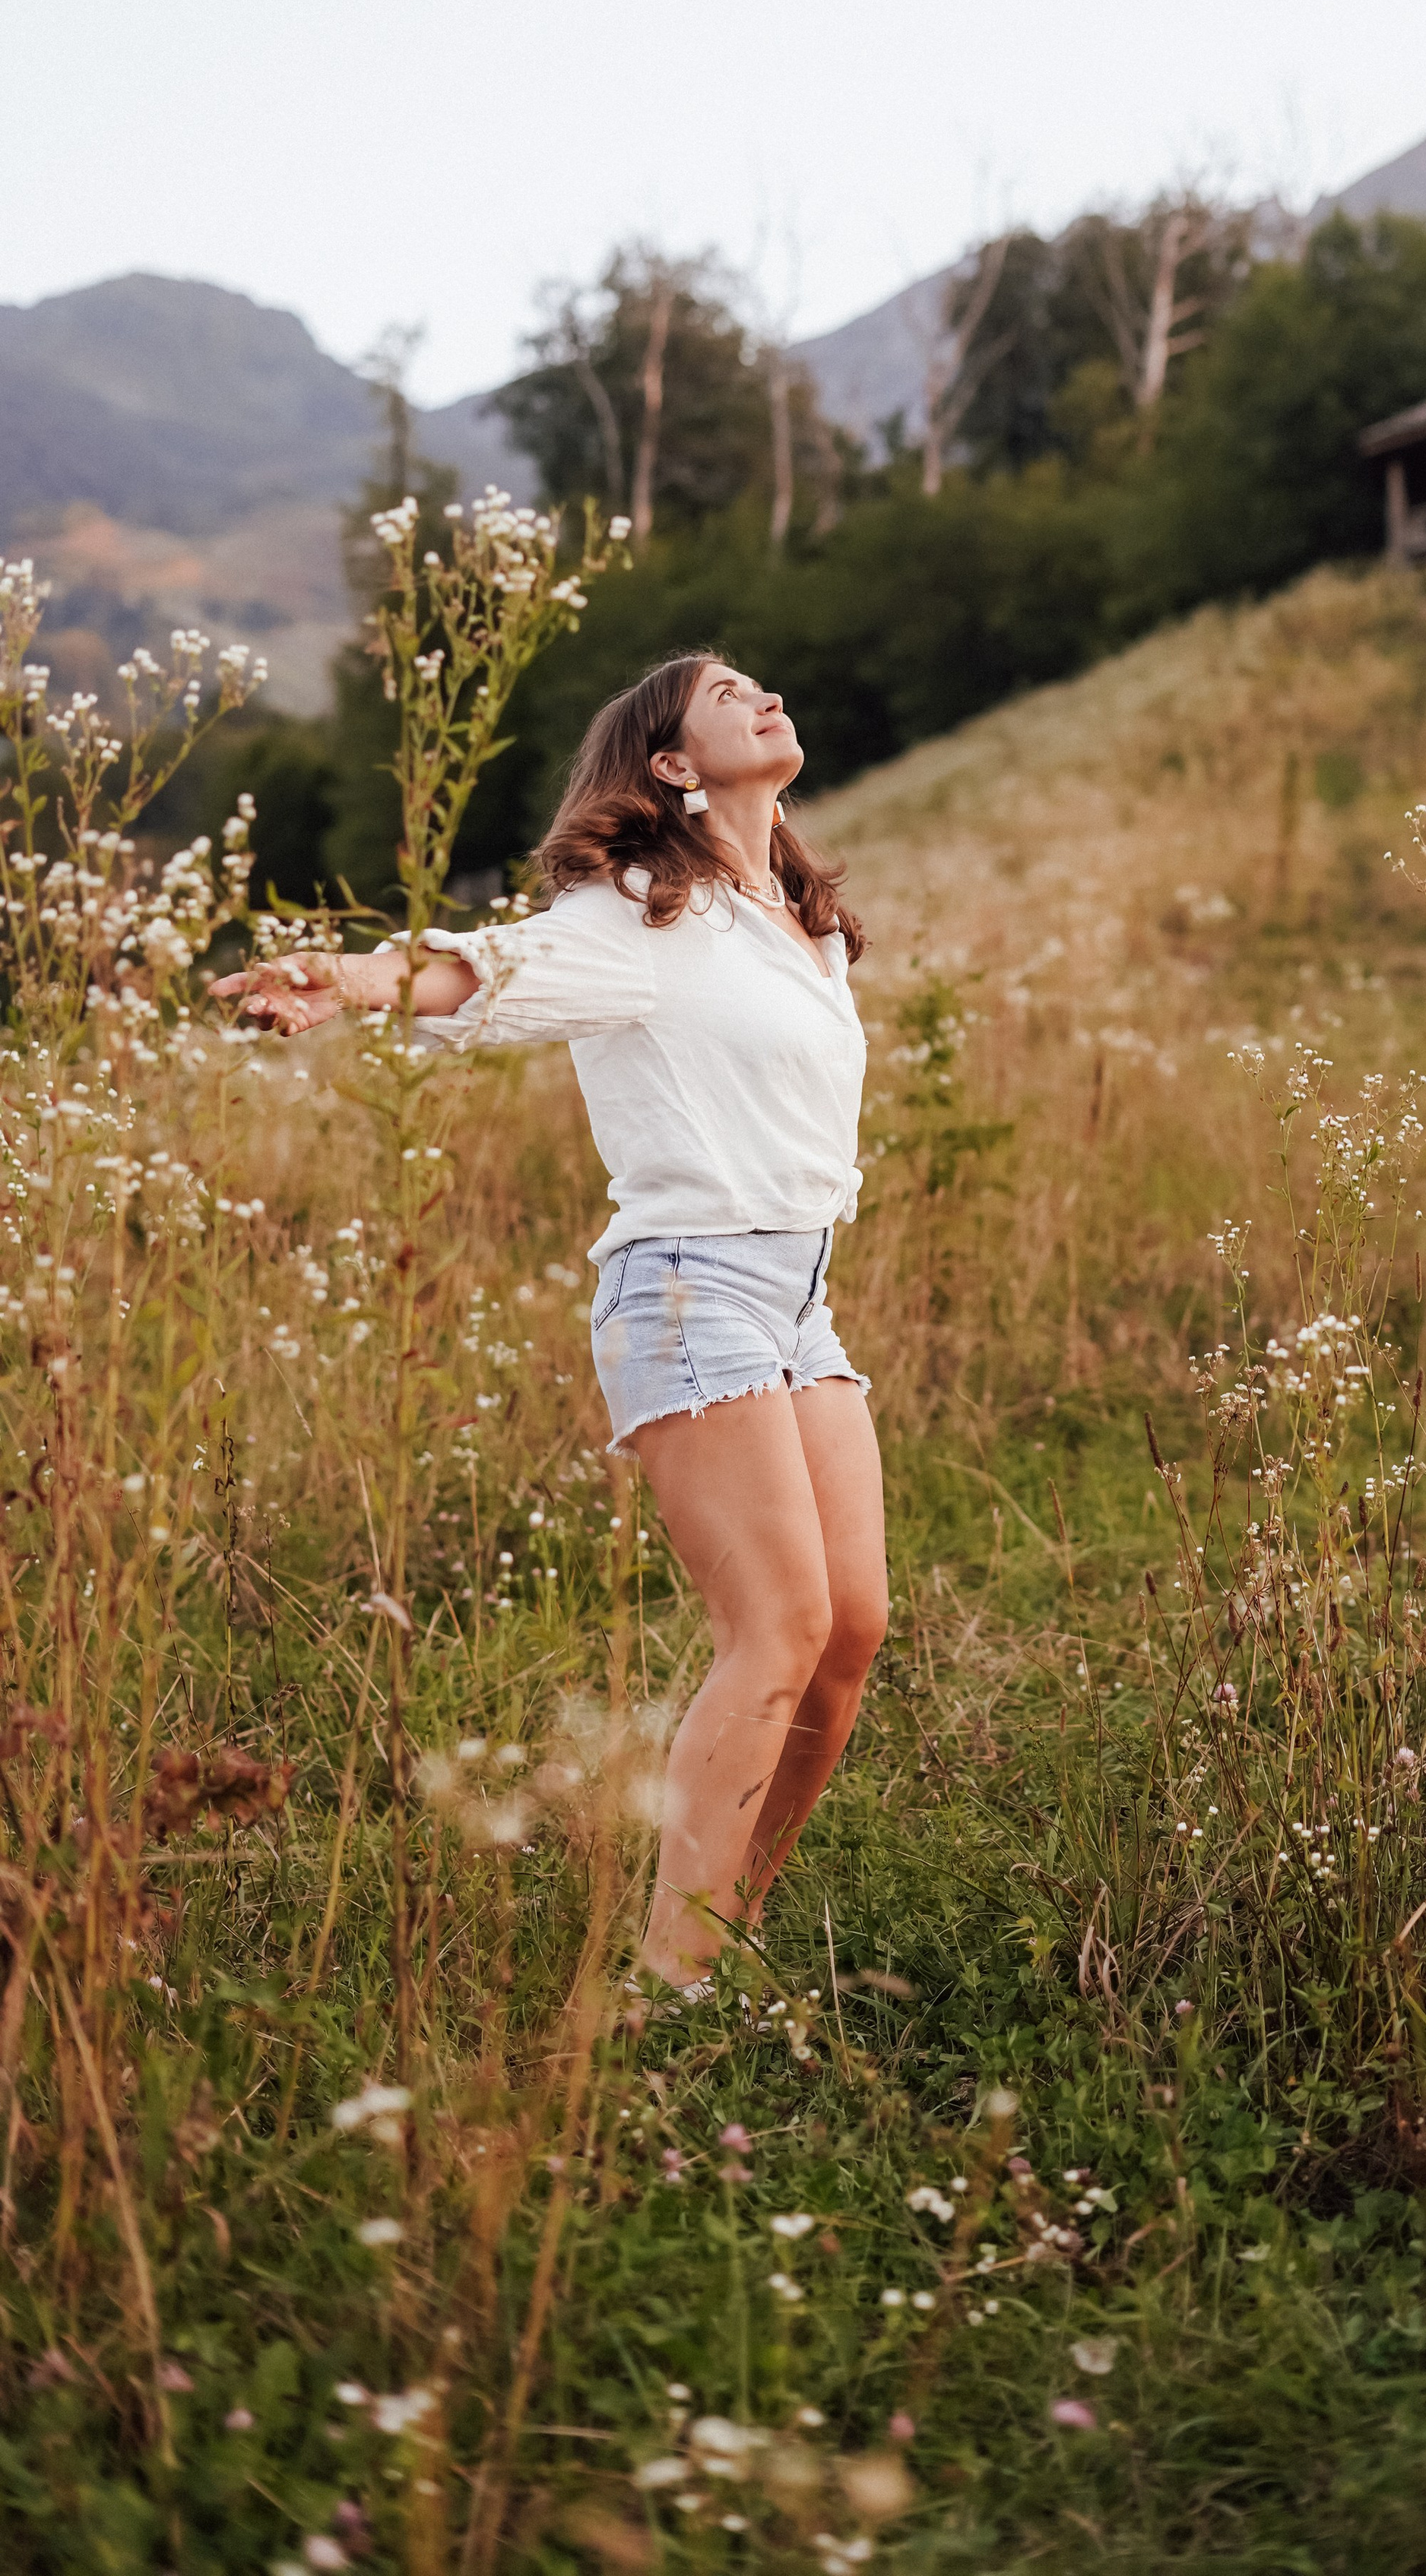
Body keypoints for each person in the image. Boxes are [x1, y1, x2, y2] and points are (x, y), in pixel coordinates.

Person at [213, 656, 886, 2004]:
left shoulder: (791, 919)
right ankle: (671, 1985)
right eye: (727, 694)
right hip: (692, 1287)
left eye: (765, 684)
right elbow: (484, 968)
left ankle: (727, 1925)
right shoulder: (637, 911)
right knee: (779, 1625)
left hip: (799, 1293)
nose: (765, 697)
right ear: (673, 767)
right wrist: (346, 980)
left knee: (852, 1631)